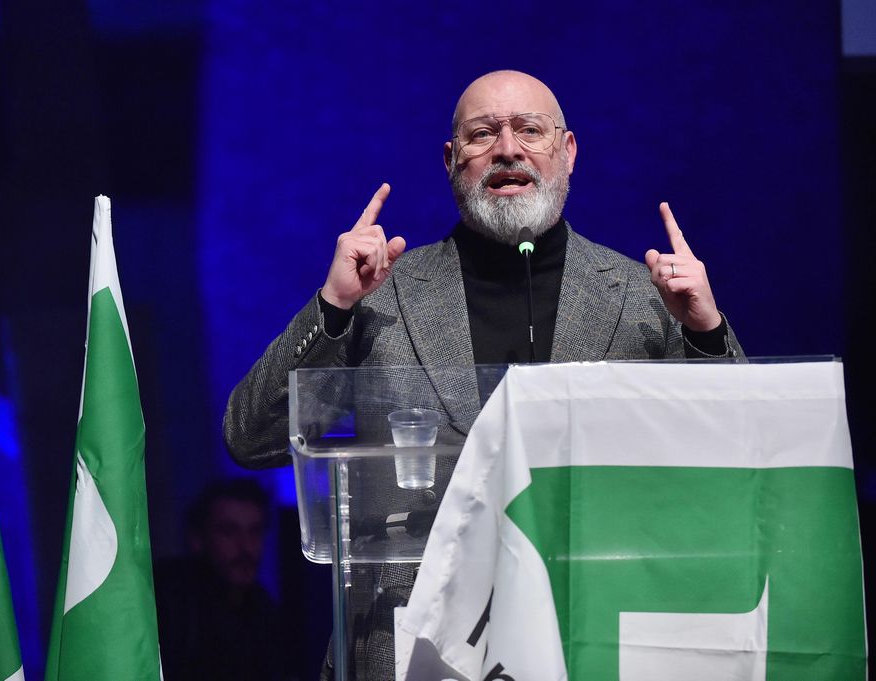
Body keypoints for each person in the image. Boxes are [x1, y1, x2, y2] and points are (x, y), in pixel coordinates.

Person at [223, 70, 743, 678]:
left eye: (530, 130)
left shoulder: (643, 295)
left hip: (592, 638)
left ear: (568, 151)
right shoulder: (380, 292)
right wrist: (334, 306)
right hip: (410, 646)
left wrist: (706, 331)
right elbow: (251, 438)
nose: (507, 150)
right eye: (482, 134)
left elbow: (739, 461)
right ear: (451, 160)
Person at [154, 478, 296, 680]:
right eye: (229, 532)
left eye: (255, 531)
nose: (246, 547)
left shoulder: (264, 610)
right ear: (198, 538)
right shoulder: (169, 598)